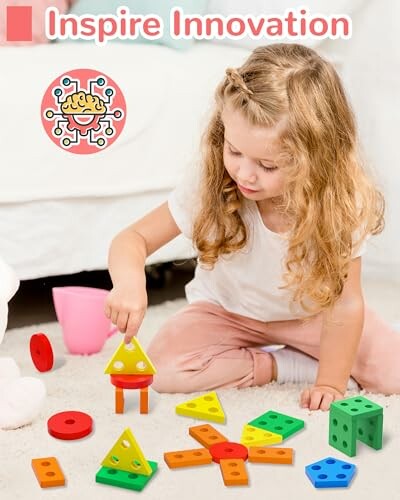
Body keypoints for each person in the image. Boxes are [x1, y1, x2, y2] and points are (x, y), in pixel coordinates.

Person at [105, 43, 400, 411]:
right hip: (227, 313)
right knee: (163, 369)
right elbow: (131, 239)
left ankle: (314, 360)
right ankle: (285, 364)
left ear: (316, 159)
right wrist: (130, 282)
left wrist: (330, 381)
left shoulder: (342, 201)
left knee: (393, 374)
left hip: (312, 318)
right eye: (234, 150)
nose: (244, 173)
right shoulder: (212, 181)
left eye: (267, 165)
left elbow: (345, 304)